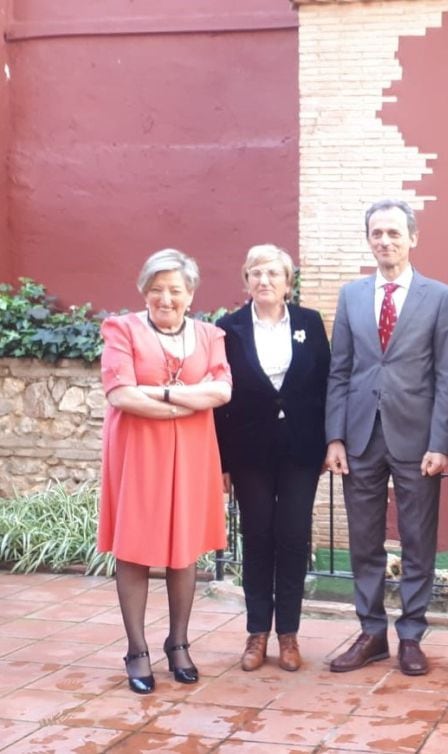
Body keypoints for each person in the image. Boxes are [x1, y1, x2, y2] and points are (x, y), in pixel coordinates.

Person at [324, 199, 448, 676]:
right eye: (377, 233)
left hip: (417, 438)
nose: (385, 241)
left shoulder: (439, 296)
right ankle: (371, 632)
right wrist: (334, 437)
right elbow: (339, 370)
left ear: (412, 238)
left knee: (418, 539)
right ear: (368, 240)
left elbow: (446, 376)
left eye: (394, 233)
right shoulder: (351, 295)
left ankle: (412, 634)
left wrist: (440, 442)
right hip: (360, 436)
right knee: (364, 539)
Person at [98, 249, 232, 694]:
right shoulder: (121, 329)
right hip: (138, 454)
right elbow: (120, 394)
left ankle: (178, 643)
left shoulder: (211, 334)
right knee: (135, 548)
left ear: (190, 294)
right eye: (156, 289)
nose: (166, 298)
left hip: (193, 455)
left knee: (185, 547)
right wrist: (184, 399)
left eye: (175, 289)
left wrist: (163, 396)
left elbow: (222, 390)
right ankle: (137, 651)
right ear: (144, 291)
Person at [214, 244, 330, 672]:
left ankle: (289, 635)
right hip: (249, 452)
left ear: (288, 282)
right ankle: (257, 633)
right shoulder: (228, 328)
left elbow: (325, 384)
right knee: (257, 537)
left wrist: (330, 441)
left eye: (273, 274)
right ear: (246, 280)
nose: (264, 281)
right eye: (256, 273)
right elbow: (219, 400)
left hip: (301, 448)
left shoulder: (309, 323)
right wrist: (222, 461)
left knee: (294, 538)